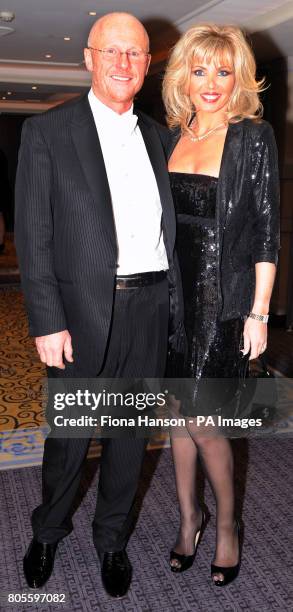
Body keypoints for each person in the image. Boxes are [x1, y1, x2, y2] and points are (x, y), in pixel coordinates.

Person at [15, 12, 182, 598]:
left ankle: (111, 541)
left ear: (146, 65)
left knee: (129, 436)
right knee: (71, 435)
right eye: (111, 52)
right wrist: (46, 320)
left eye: (134, 54)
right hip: (80, 314)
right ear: (88, 58)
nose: (122, 63)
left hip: (150, 305)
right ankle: (48, 532)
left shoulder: (162, 137)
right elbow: (32, 235)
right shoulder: (47, 132)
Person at [162, 23, 280, 586]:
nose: (211, 83)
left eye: (224, 71)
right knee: (175, 421)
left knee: (205, 421)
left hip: (220, 299)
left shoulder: (253, 137)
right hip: (168, 298)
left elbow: (264, 233)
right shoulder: (170, 135)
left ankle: (227, 525)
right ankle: (190, 519)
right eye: (200, 69)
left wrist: (258, 312)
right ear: (183, 75)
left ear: (238, 79)